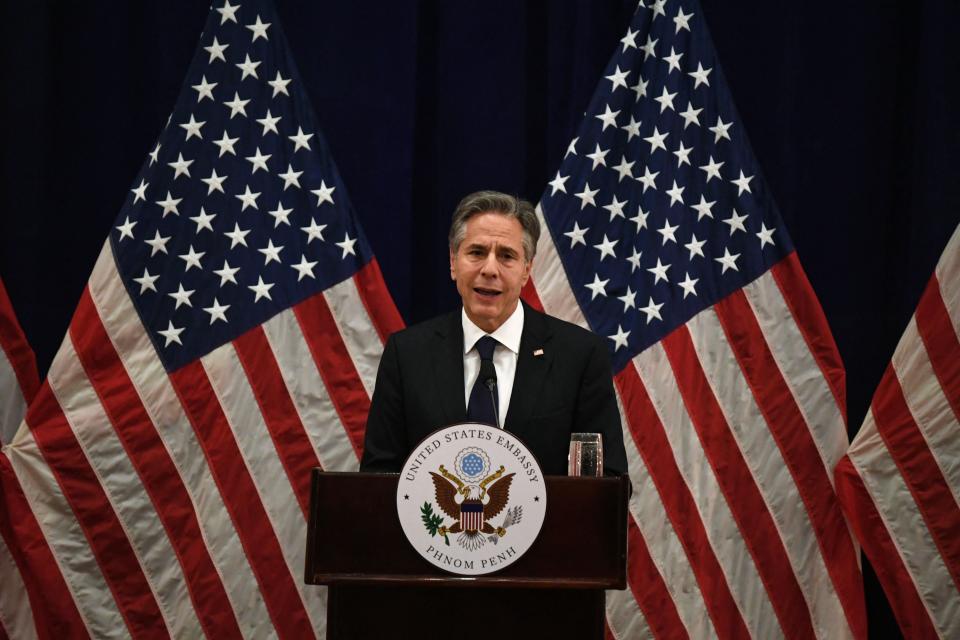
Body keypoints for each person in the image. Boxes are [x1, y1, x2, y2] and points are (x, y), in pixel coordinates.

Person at [360, 190, 627, 476]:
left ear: (526, 270)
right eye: (476, 252)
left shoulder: (579, 356)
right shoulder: (408, 355)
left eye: (506, 256)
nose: (490, 269)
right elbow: (378, 477)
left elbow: (607, 480)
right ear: (453, 262)